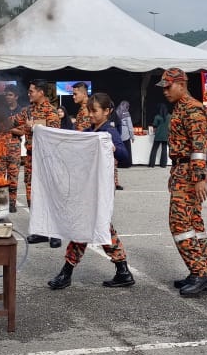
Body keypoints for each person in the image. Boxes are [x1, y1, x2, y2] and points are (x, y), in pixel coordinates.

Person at [48, 92, 135, 290]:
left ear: (107, 111)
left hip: (101, 188)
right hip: (87, 187)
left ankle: (67, 272)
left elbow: (125, 157)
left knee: (86, 225)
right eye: (89, 110)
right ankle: (123, 271)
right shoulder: (89, 131)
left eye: (95, 111)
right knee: (97, 226)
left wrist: (112, 148)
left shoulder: (108, 132)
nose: (91, 114)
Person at [157, 68, 207, 296]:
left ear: (181, 84)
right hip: (181, 170)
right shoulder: (180, 107)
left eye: (168, 87)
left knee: (180, 224)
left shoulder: (193, 108)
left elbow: (199, 146)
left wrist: (199, 177)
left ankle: (199, 274)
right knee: (194, 223)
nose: (165, 92)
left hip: (190, 172)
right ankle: (201, 273)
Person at [16, 80, 62, 248]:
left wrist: (34, 126)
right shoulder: (27, 111)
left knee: (50, 195)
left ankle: (55, 232)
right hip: (30, 159)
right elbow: (14, 121)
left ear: (41, 92)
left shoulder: (51, 111)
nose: (29, 94)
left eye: (31, 91)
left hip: (47, 160)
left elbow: (54, 134)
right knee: (32, 196)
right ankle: (41, 230)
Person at [0, 85, 23, 212]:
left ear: (16, 96)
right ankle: (1, 202)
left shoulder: (21, 111)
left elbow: (22, 131)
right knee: (1, 177)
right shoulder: (1, 111)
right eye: (6, 95)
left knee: (13, 178)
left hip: (14, 149)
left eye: (10, 95)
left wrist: (8, 128)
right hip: (1, 148)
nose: (7, 97)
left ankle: (12, 203)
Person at [149, 103, 171, 168]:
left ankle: (152, 164)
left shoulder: (157, 117)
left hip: (158, 135)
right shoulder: (170, 116)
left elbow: (154, 126)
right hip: (166, 135)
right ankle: (163, 165)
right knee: (164, 150)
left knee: (154, 149)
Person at [115, 100, 135, 167]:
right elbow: (130, 125)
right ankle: (126, 164)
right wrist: (132, 136)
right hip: (126, 134)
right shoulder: (126, 113)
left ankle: (120, 164)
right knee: (127, 149)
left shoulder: (117, 112)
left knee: (120, 150)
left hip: (118, 133)